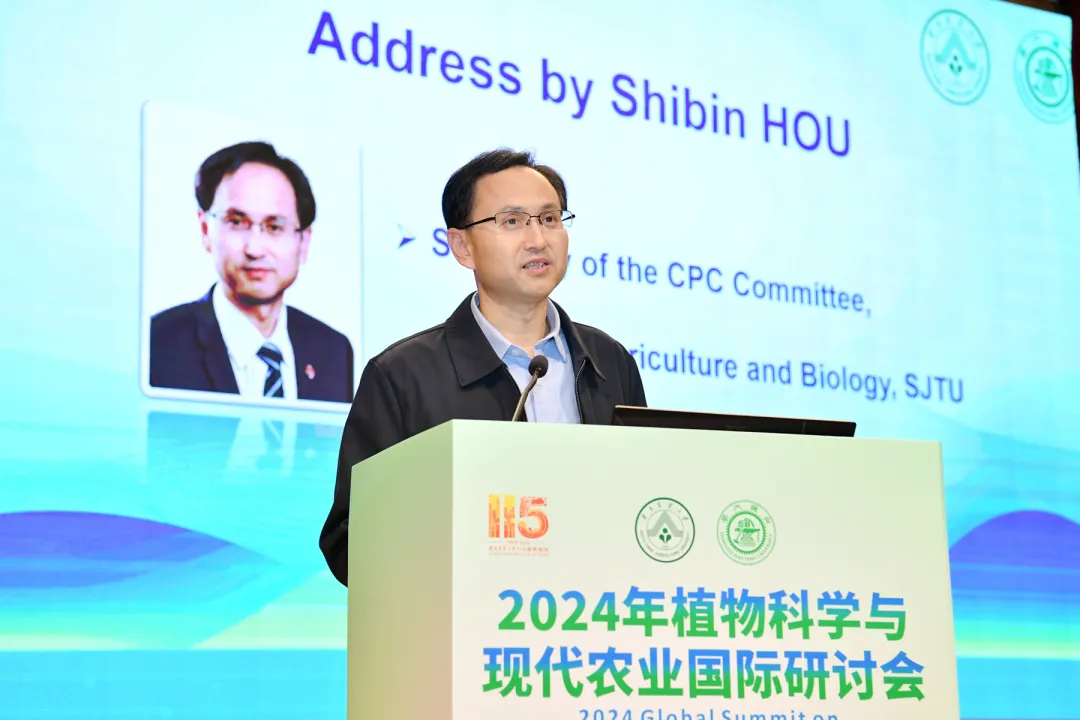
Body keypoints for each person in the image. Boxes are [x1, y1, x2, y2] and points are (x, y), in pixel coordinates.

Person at [319, 148, 647, 586]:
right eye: (512, 221)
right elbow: (351, 542)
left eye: (550, 219)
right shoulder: (403, 376)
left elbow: (646, 501)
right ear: (462, 246)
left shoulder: (609, 361)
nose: (538, 239)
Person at [149, 141, 354, 404]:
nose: (255, 249)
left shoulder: (335, 353)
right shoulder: (156, 345)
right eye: (237, 222)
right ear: (205, 230)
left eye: (274, 227)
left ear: (303, 242)